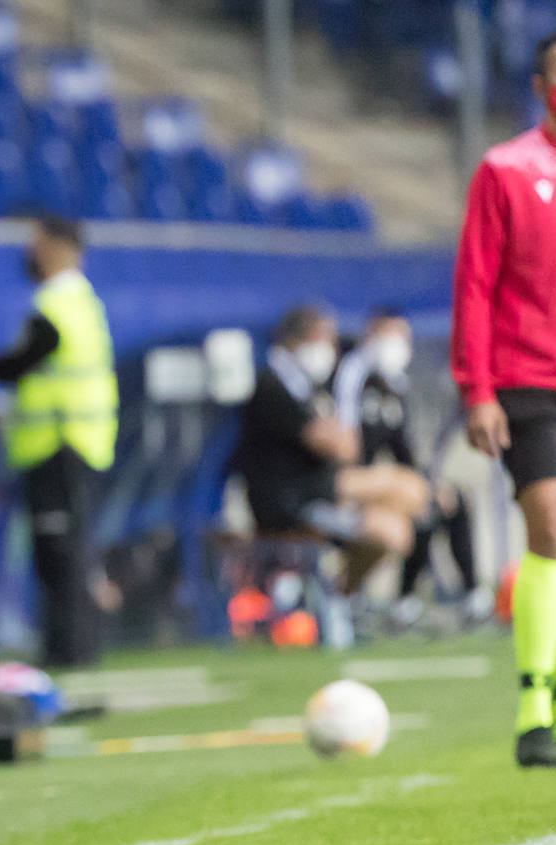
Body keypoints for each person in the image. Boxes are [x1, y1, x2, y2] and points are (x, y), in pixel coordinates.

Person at [451, 33, 556, 767]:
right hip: (526, 378)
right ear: (541, 84)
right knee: (550, 526)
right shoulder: (506, 169)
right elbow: (476, 284)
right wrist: (477, 387)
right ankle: (534, 708)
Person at [0, 217, 117, 668]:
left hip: (58, 444)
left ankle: (67, 651)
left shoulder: (55, 304)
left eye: (37, 245)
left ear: (58, 249)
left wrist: (1, 365)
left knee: (59, 555)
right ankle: (75, 648)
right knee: (72, 552)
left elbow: (16, 364)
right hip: (80, 443)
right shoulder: (83, 301)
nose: (30, 255)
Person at [237, 306, 429, 597]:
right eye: (322, 339)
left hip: (317, 490)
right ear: (296, 339)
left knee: (405, 512)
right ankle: (334, 599)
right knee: (394, 522)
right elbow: (336, 446)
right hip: (291, 502)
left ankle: (340, 598)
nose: (329, 348)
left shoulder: (309, 386)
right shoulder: (272, 384)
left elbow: (345, 445)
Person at [334, 308, 485, 625]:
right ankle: (362, 597)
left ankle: (464, 595)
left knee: (445, 499)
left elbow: (402, 449)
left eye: (404, 337)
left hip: (379, 483)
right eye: (392, 336)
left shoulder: (395, 384)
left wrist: (427, 482)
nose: (400, 344)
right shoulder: (351, 373)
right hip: (350, 482)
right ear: (371, 335)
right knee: (418, 505)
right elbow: (345, 445)